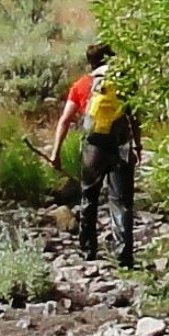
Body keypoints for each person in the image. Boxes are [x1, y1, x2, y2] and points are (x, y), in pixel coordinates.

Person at [46, 44, 140, 270]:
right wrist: (138, 145)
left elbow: (65, 120)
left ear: (91, 62)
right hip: (120, 148)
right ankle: (124, 257)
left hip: (93, 149)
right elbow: (135, 117)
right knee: (121, 203)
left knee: (89, 197)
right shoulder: (125, 84)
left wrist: (55, 152)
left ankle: (88, 250)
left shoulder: (82, 85)